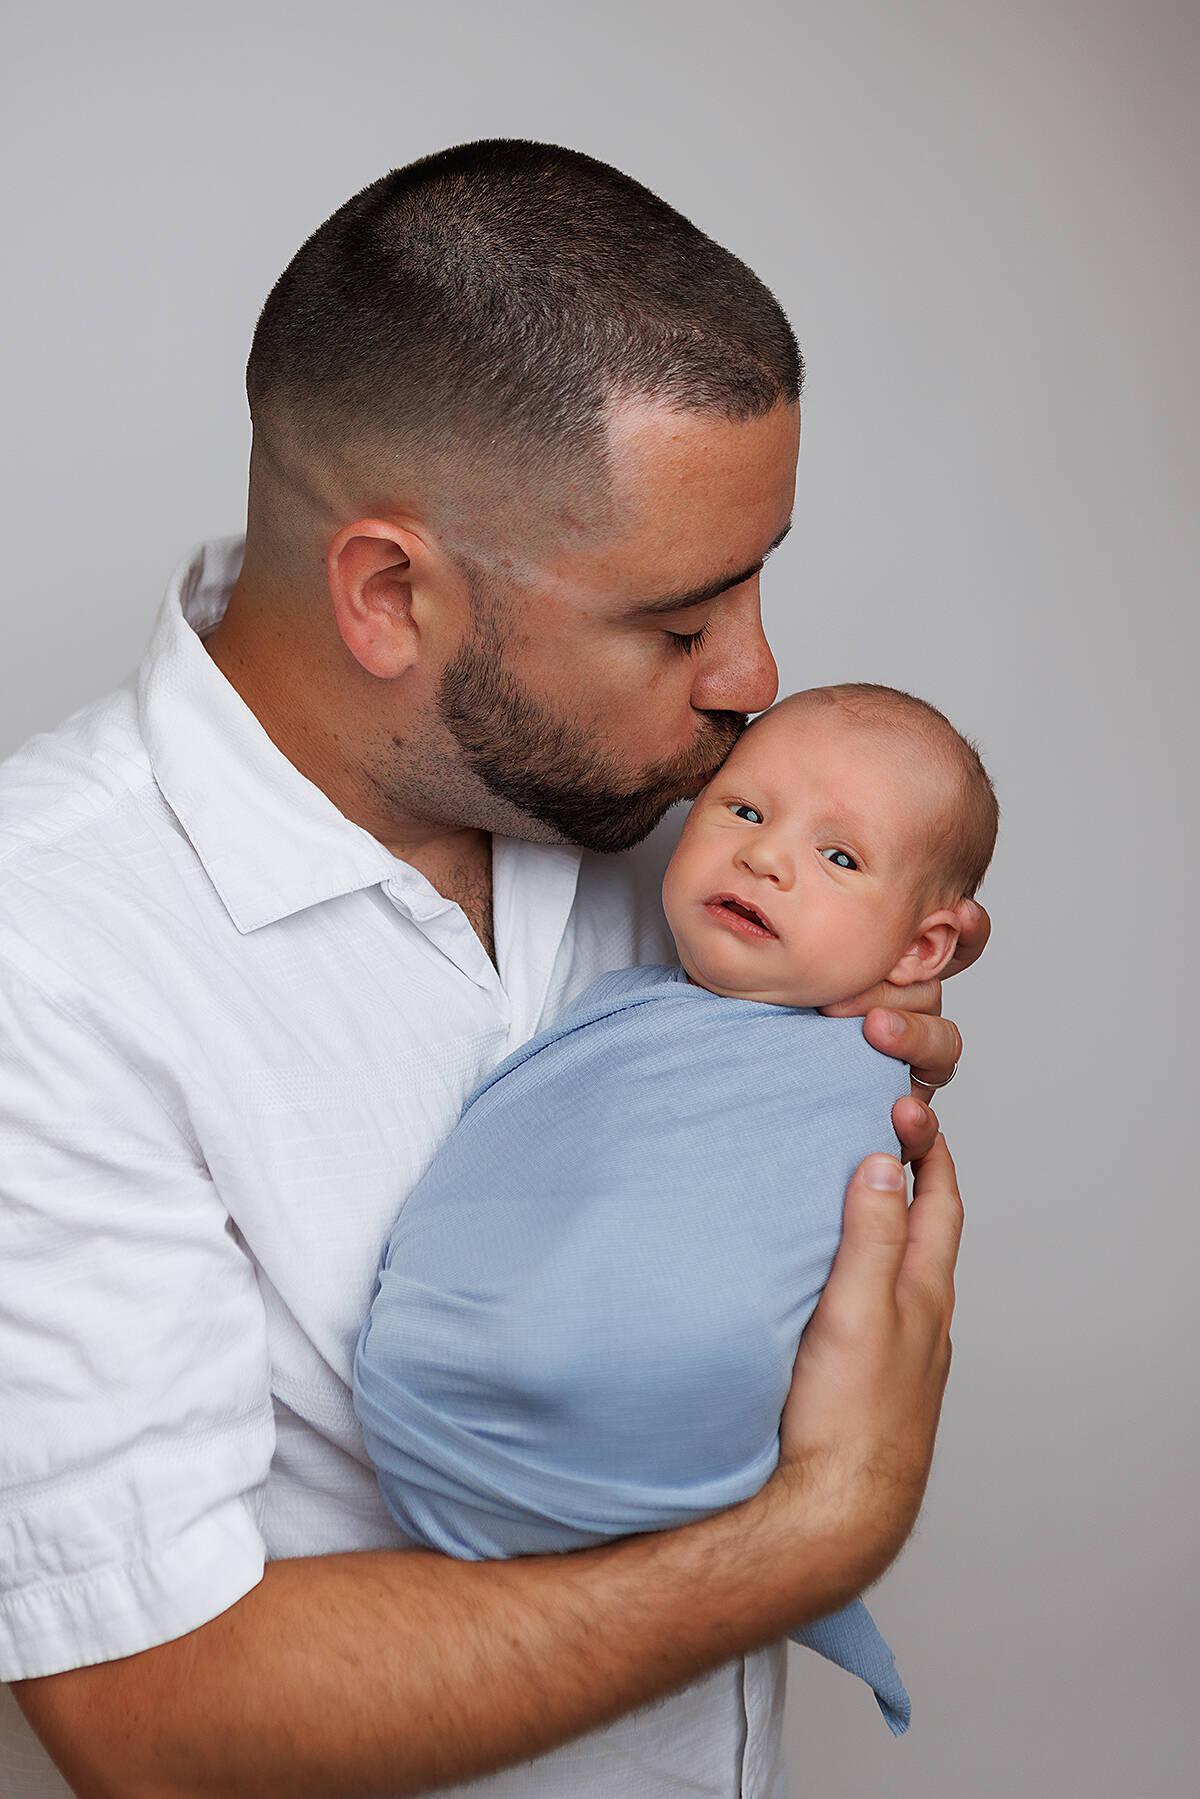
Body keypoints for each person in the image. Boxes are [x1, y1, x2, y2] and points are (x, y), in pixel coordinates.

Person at [1, 142, 978, 1799]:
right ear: (391, 594)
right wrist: (824, 1525)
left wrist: (837, 1058)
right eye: (681, 624)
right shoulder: (52, 948)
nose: (759, 674)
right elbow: (152, 1710)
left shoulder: (658, 824)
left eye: (760, 576)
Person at [354, 684, 998, 1739]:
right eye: (743, 811)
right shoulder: (626, 1003)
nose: (766, 857)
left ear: (923, 948)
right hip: (437, 1449)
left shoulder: (862, 1073)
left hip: (641, 1479)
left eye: (841, 857)